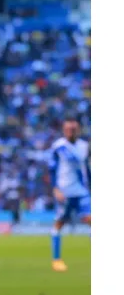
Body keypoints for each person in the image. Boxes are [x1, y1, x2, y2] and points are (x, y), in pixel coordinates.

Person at [48, 116, 91, 272]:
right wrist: (56, 188)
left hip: (82, 191)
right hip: (64, 192)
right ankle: (56, 259)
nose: (70, 132)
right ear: (63, 130)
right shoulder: (58, 147)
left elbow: (88, 169)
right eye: (67, 129)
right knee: (59, 224)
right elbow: (52, 170)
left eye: (73, 129)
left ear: (78, 129)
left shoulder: (85, 146)